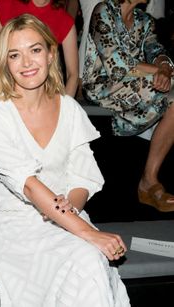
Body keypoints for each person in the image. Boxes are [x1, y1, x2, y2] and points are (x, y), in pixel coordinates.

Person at [0, 13, 130, 306]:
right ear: (4, 64)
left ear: (50, 54)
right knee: (88, 257)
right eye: (14, 55)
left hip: (68, 218)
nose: (27, 62)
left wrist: (69, 208)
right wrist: (86, 232)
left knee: (90, 261)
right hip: (16, 229)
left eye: (35, 50)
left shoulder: (70, 108)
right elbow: (29, 186)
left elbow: (83, 175)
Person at [82, 0, 174, 212]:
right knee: (160, 87)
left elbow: (156, 49)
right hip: (102, 85)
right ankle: (132, 128)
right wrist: (158, 72)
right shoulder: (103, 11)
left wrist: (164, 66)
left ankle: (149, 180)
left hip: (137, 82)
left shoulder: (144, 20)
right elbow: (115, 63)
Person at [0, 0, 79, 97]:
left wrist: (65, 108)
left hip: (45, 94)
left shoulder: (63, 20)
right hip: (6, 88)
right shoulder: (8, 4)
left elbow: (73, 75)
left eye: (36, 50)